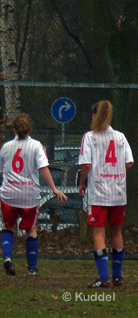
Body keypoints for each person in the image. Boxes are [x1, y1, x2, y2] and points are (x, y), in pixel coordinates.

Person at [0, 113, 67, 276]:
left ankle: (7, 257)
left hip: (9, 193)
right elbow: (44, 168)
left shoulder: (6, 147)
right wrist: (54, 189)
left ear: (14, 130)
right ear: (30, 129)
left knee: (8, 226)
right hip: (29, 194)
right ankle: (32, 268)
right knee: (31, 229)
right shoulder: (36, 145)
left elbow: (2, 171)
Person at [78, 100, 133, 288]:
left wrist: (82, 182)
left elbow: (86, 165)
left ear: (94, 115)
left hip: (99, 192)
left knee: (99, 234)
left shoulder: (90, 137)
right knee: (116, 232)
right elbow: (128, 163)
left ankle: (104, 278)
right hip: (118, 192)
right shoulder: (120, 137)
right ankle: (117, 277)